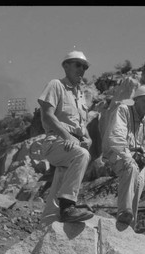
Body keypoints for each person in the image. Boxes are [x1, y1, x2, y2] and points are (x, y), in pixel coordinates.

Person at [37, 51, 94, 223]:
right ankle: (68, 206)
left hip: (72, 142)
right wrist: (67, 135)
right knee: (81, 155)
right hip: (56, 140)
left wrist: (89, 138)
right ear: (66, 66)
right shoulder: (56, 85)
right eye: (77, 65)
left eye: (84, 67)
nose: (82, 69)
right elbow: (47, 115)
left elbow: (82, 125)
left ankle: (49, 220)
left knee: (61, 179)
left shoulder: (80, 95)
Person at [101, 84, 145, 230]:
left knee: (140, 181)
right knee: (131, 167)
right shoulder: (123, 110)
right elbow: (116, 137)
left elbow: (144, 144)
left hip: (134, 155)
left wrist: (142, 154)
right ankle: (124, 211)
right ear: (136, 100)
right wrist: (128, 156)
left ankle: (128, 224)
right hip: (116, 152)